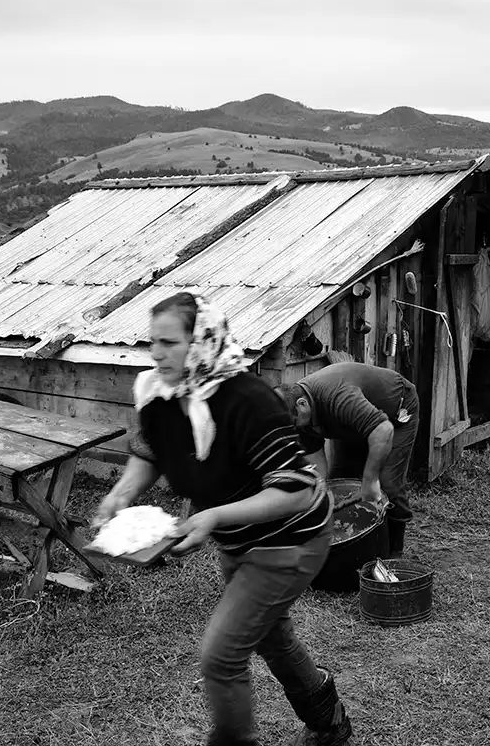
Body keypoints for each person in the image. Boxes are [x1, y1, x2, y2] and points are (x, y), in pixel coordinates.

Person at [91, 292, 352, 746]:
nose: (155, 353)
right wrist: (123, 491)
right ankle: (328, 720)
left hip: (291, 540)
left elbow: (295, 490)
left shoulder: (246, 400)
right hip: (238, 540)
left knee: (221, 655)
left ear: (201, 342)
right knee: (270, 635)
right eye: (152, 341)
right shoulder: (161, 392)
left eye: (169, 343)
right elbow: (151, 450)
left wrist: (212, 517)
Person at [275, 363, 420, 558]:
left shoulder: (337, 396)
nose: (295, 430)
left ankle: (394, 550)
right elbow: (317, 464)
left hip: (396, 411)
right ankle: (351, 542)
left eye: (294, 424)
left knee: (387, 483)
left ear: (302, 404)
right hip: (354, 423)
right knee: (341, 481)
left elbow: (383, 430)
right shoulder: (298, 417)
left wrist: (370, 480)